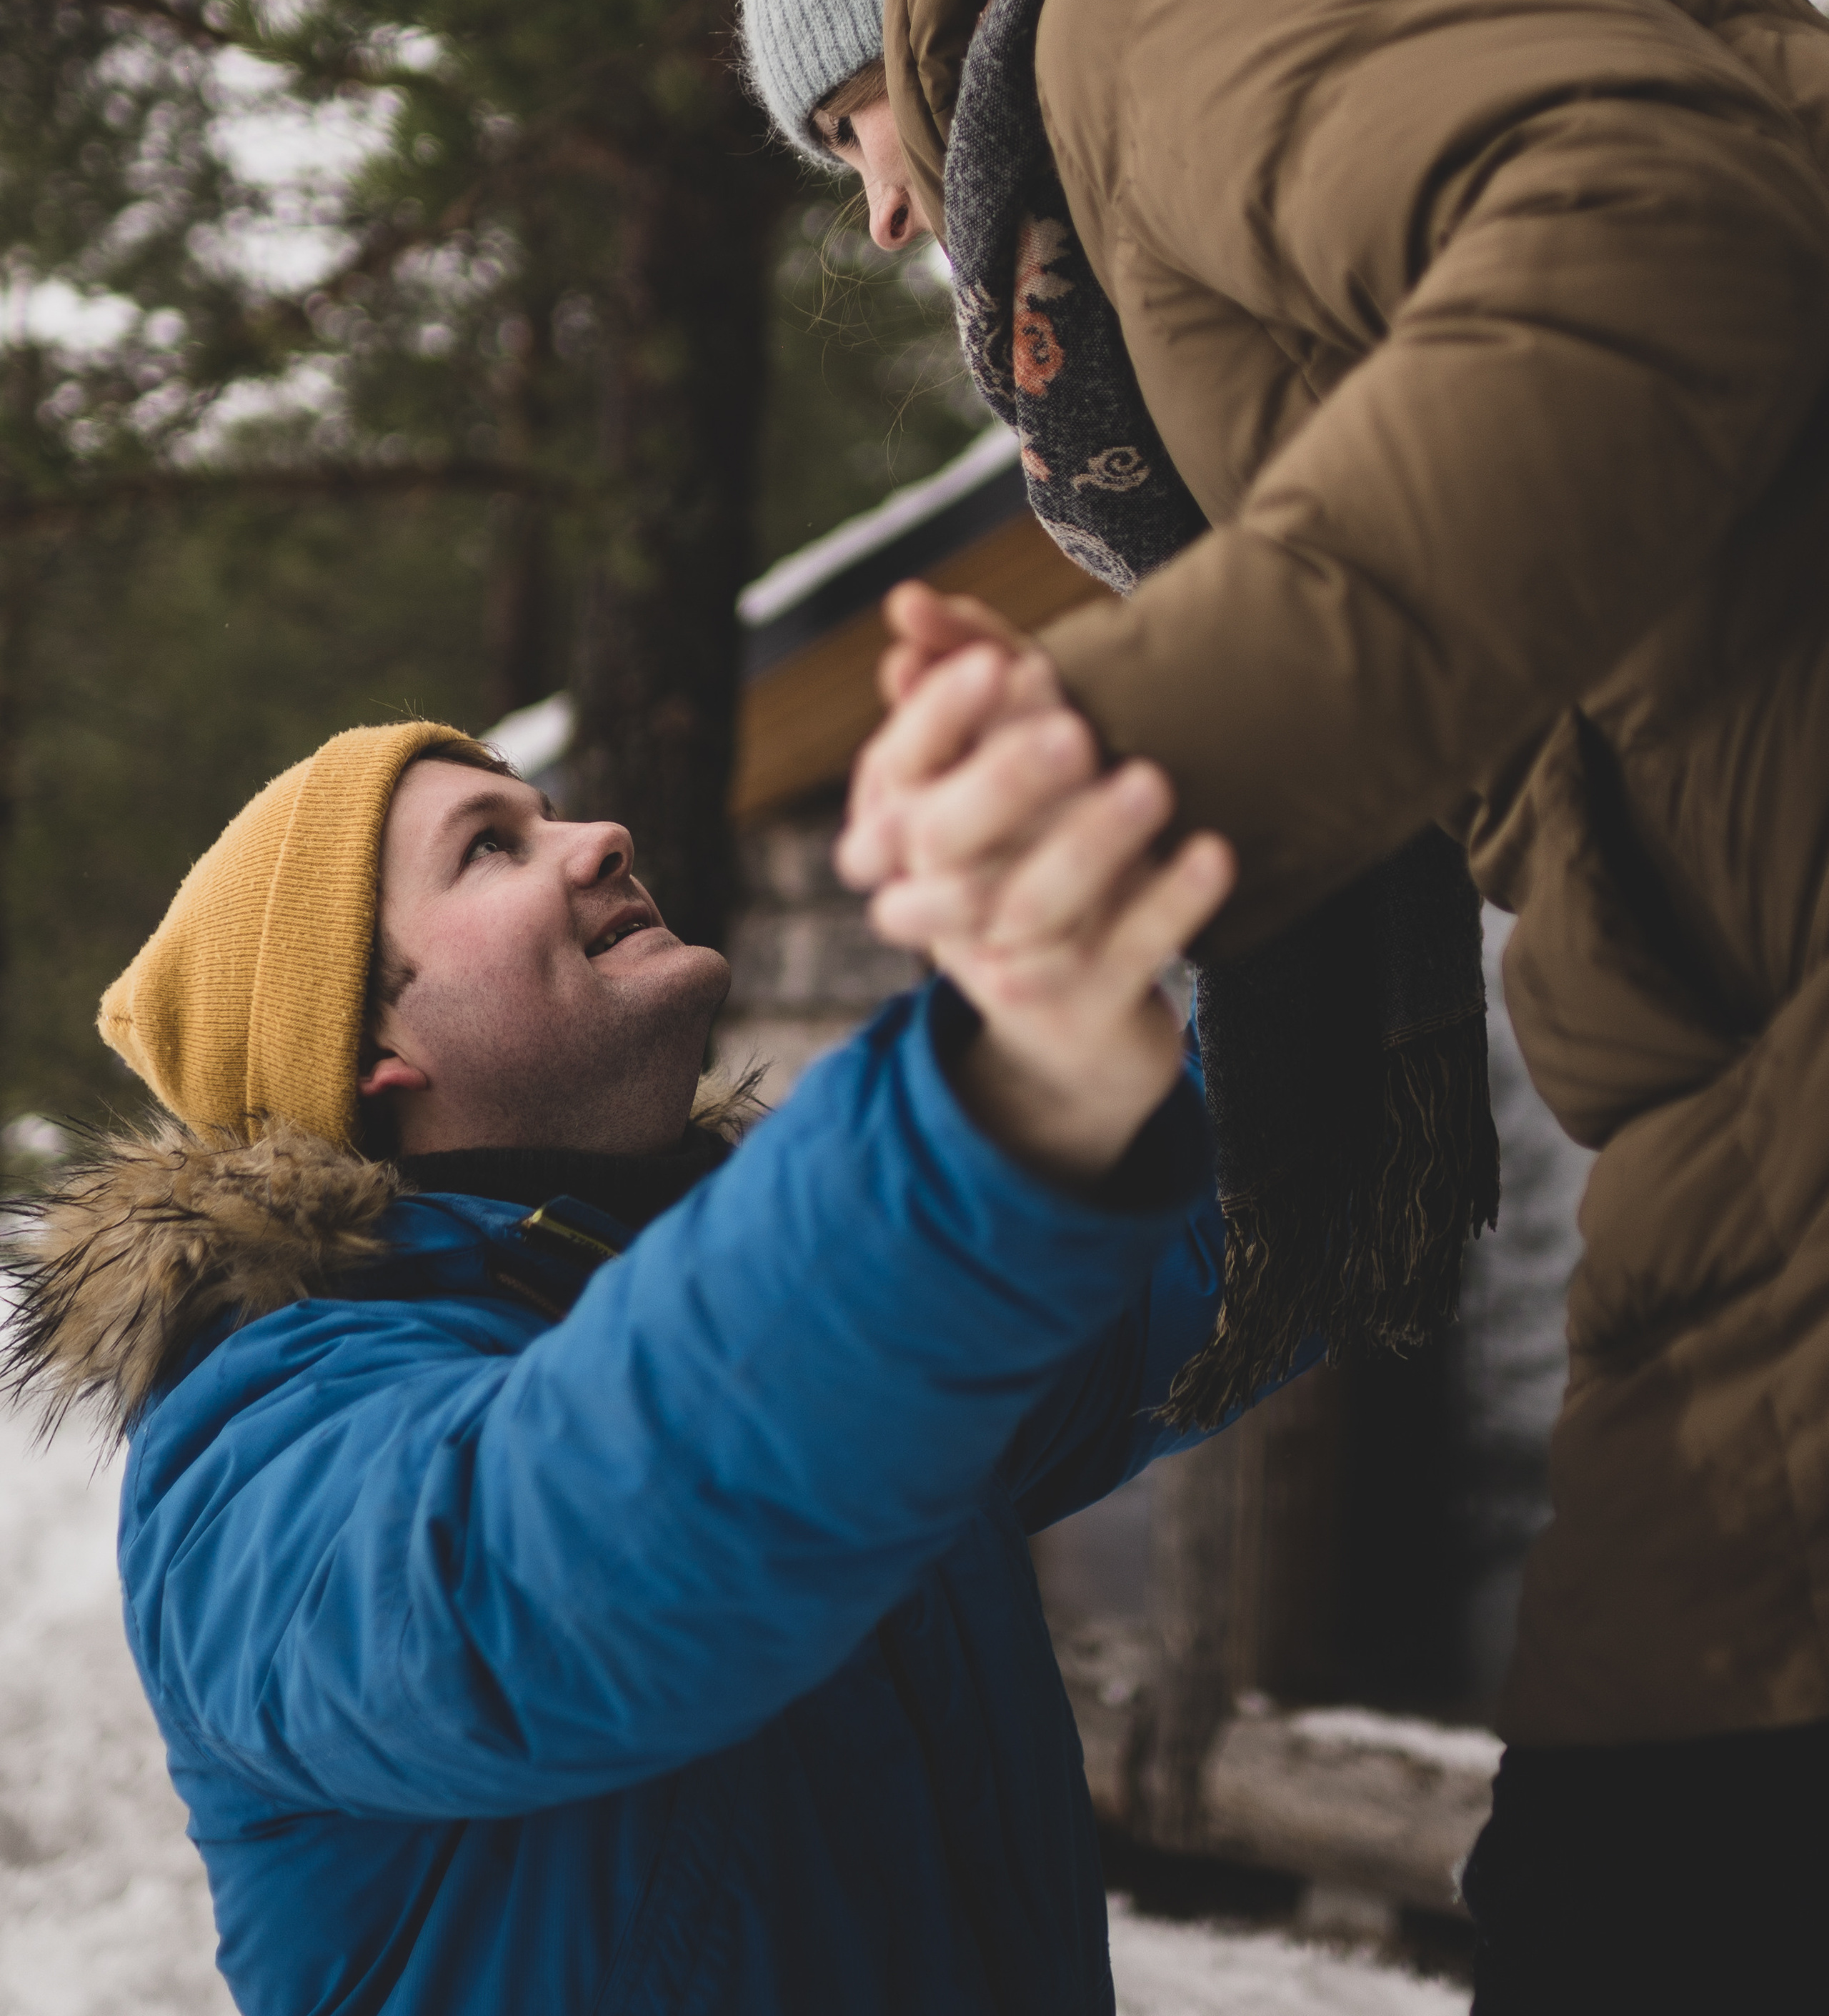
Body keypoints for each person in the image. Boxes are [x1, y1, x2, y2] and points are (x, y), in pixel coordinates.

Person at [741, 0, 1829, 2011]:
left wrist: (1153, 742)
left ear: (902, 14)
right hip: (1753, 1091)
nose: (878, 215)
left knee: (1649, 1916)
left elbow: (1651, 225)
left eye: (847, 133)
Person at [4, 707, 1277, 2016]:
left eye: (549, 814)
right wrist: (925, 1145)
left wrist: (1318, 899)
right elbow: (536, 1577)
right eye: (489, 851)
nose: (600, 837)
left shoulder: (818, 1356)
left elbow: (1205, 1248)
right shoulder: (264, 1433)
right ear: (374, 1044)